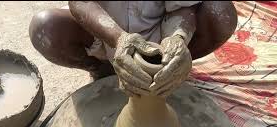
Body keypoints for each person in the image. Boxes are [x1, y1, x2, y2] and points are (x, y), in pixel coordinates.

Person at [29, 1, 237, 98]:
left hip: (158, 31)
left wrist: (178, 39)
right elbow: (81, 2)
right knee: (45, 28)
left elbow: (184, 5)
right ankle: (101, 70)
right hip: (101, 30)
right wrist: (119, 40)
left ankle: (171, 68)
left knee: (222, 13)